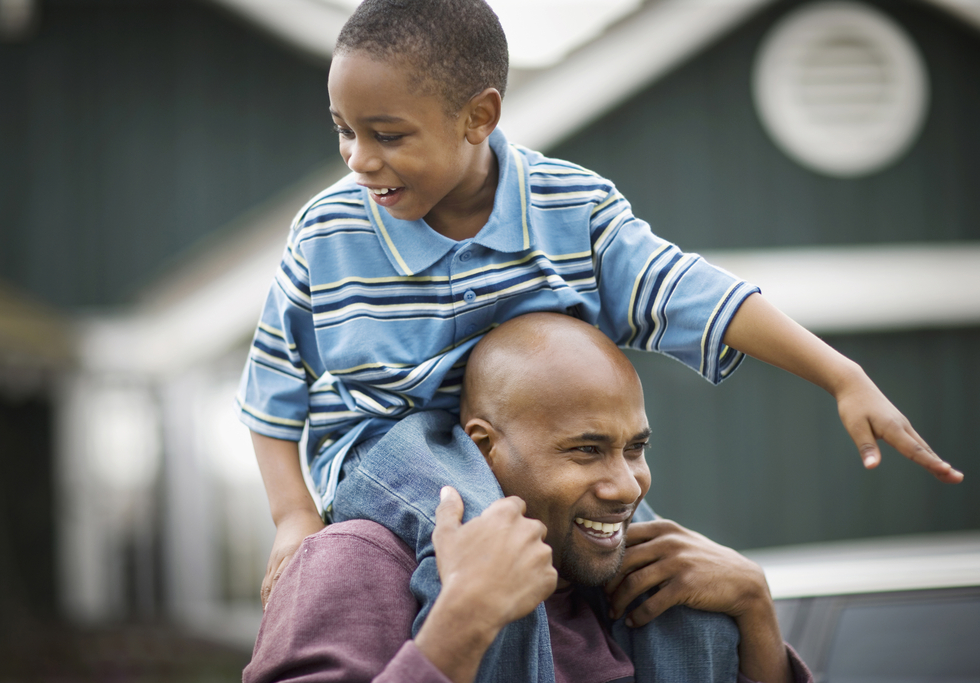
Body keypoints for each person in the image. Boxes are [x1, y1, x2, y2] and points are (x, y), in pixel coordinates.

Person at [235, 0, 959, 677]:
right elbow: (273, 379)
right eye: (344, 130)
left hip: (525, 444)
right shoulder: (330, 231)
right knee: (489, 543)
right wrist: (293, 513)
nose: (357, 159)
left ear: (477, 117)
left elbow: (683, 286)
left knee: (672, 582)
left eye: (386, 134)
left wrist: (838, 373)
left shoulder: (568, 207)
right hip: (385, 441)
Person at [243, 312, 813, 683]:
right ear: (485, 448)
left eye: (634, 448)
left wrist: (757, 614)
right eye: (586, 451)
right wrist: (464, 619)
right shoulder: (355, 562)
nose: (626, 486)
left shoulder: (644, 588)